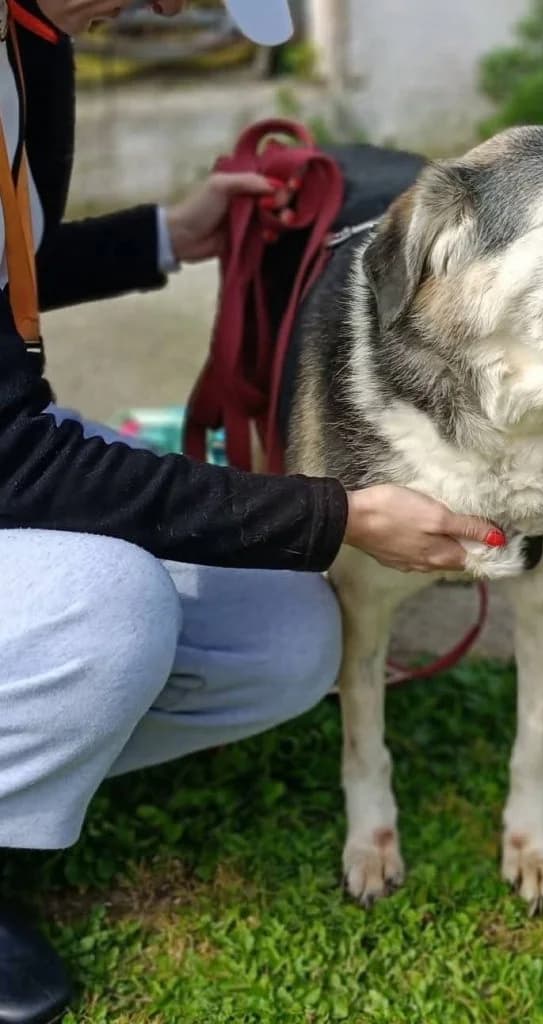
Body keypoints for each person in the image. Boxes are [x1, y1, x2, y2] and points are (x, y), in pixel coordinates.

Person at [0, 3, 503, 1021]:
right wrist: (334, 516)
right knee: (107, 603)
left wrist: (162, 235)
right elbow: (18, 462)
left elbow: (10, 264)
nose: (167, 10)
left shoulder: (28, 34)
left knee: (285, 641)